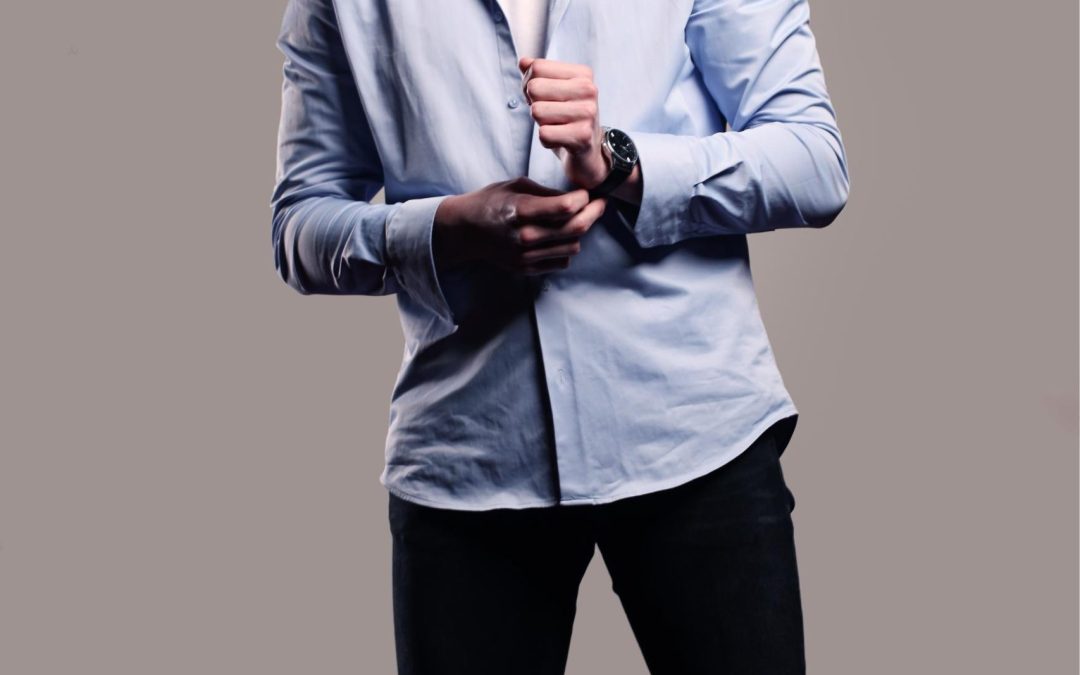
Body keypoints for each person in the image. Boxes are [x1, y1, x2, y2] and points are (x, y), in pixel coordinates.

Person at [270, 0, 849, 672]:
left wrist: (620, 163)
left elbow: (814, 162)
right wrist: (447, 230)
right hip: (470, 455)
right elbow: (298, 226)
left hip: (693, 433)